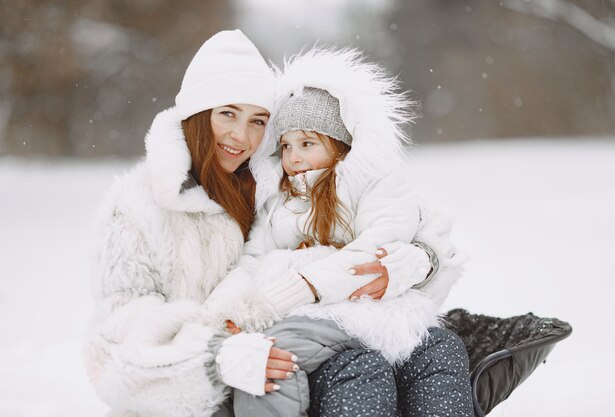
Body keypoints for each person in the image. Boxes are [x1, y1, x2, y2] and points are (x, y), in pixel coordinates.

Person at [83, 30, 430, 417]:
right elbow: (114, 346)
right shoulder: (136, 208)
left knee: (393, 364)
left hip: (297, 350)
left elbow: (392, 222)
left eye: (258, 121)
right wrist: (217, 356)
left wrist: (417, 260)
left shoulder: (271, 185)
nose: (241, 136)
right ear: (198, 114)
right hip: (194, 398)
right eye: (228, 114)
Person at [207, 47, 473, 417]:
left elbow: (379, 245)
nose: (294, 157)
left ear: (340, 147)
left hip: (374, 311)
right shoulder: (277, 202)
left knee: (440, 350)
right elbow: (253, 257)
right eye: (285, 146)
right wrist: (224, 308)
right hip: (308, 318)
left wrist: (306, 283)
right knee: (272, 357)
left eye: (307, 143)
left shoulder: (372, 183)